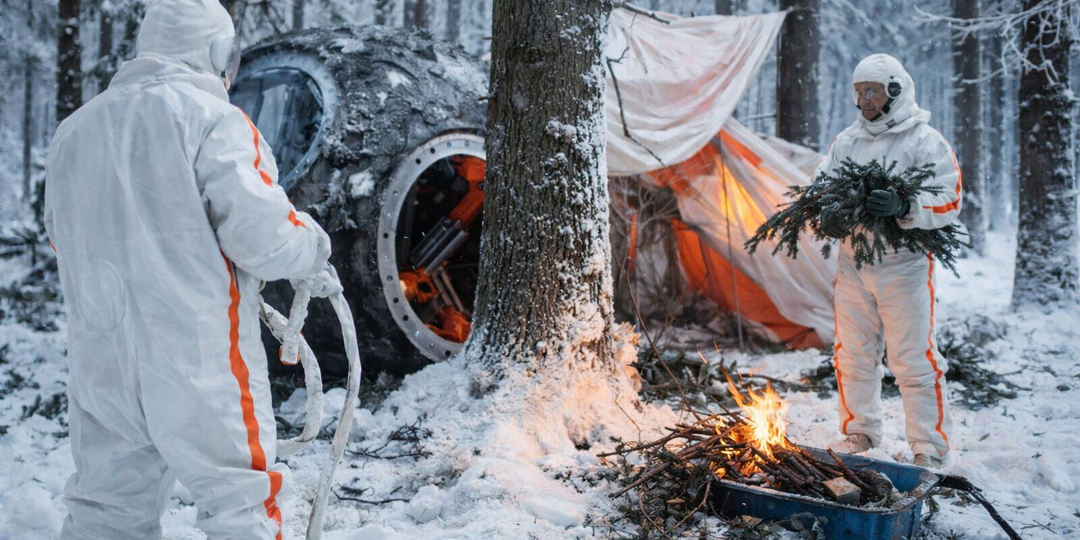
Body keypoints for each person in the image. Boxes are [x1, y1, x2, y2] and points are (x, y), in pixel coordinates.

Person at [44, 1, 340, 538]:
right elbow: (263, 238)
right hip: (200, 359)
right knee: (239, 504)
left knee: (104, 511)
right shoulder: (213, 119)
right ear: (217, 51)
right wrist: (313, 247)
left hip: (102, 363)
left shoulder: (73, 132)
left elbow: (63, 238)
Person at [817, 54, 961, 469]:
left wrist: (906, 204)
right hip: (853, 262)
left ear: (895, 91)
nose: (863, 100)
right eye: (858, 91)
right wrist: (827, 215)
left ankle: (929, 448)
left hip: (905, 264)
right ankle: (859, 431)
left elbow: (950, 198)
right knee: (853, 353)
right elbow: (820, 188)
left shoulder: (924, 140)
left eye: (872, 91)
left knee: (913, 358)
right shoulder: (846, 142)